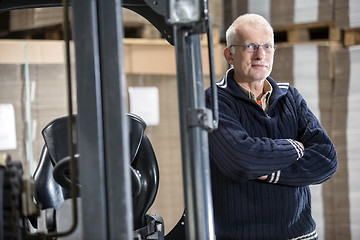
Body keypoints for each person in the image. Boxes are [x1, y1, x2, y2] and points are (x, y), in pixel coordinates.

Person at [205, 13, 337, 240]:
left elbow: (326, 159)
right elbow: (241, 161)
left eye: (267, 46)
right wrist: (294, 148)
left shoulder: (290, 97)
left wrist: (270, 172)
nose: (260, 55)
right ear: (229, 55)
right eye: (250, 46)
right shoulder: (215, 100)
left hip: (301, 236)